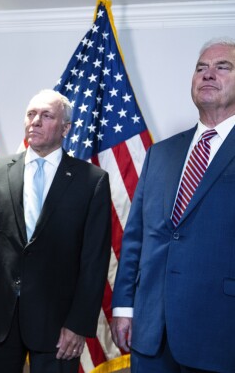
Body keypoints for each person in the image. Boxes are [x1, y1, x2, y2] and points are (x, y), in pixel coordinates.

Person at [0, 89, 112, 373]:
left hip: (58, 324)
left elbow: (95, 259)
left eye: (46, 115)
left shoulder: (92, 181)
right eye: (31, 114)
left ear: (65, 127)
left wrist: (78, 324)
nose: (35, 121)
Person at [110, 38, 235, 373]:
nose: (208, 74)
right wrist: (123, 306)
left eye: (222, 67)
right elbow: (136, 236)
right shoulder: (160, 153)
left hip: (221, 332)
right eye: (200, 68)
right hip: (151, 332)